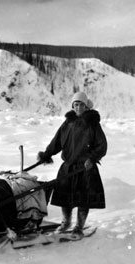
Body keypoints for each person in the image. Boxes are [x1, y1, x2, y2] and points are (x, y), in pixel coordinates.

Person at [37, 91, 107, 238]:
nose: (78, 107)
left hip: (85, 168)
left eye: (81, 104)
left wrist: (92, 159)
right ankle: (66, 222)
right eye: (75, 104)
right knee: (65, 196)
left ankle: (79, 227)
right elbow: (57, 141)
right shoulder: (68, 123)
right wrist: (47, 154)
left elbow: (102, 145)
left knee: (83, 199)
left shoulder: (93, 123)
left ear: (86, 106)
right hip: (68, 167)